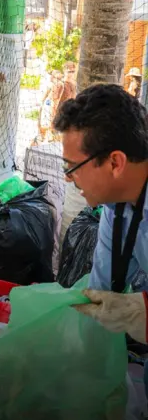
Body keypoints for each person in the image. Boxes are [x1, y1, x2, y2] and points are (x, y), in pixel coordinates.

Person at [52, 84, 148, 400]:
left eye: (72, 168)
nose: (68, 178)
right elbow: (102, 292)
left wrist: (139, 312)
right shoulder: (115, 206)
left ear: (115, 163)